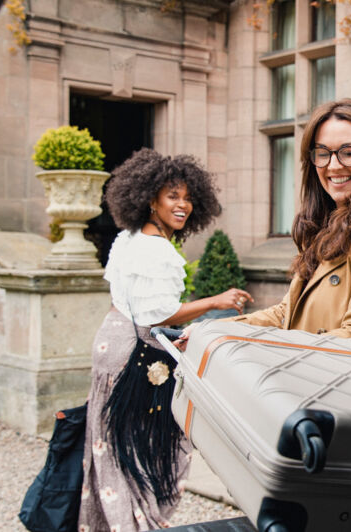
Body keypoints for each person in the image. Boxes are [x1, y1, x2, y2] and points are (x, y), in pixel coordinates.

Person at [80, 148, 253, 531]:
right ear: (149, 199)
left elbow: (122, 298)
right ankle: (134, 524)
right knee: (144, 450)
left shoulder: (128, 239)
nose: (184, 205)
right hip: (134, 353)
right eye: (173, 196)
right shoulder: (156, 251)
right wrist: (217, 301)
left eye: (189, 197)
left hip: (111, 338)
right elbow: (156, 315)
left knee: (113, 445)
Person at [188, 99, 351, 374]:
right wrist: (213, 330)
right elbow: (286, 313)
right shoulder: (325, 227)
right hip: (314, 385)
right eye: (323, 153)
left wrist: (270, 352)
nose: (333, 166)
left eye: (349, 152)